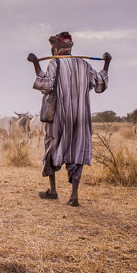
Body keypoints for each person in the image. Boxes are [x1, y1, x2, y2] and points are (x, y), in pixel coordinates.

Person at [27, 32, 112, 206]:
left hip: (59, 117)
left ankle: (53, 191)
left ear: (56, 49)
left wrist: (35, 64)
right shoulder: (84, 64)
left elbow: (45, 85)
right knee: (77, 152)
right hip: (81, 119)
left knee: (51, 148)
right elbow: (100, 84)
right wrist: (107, 62)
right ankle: (74, 196)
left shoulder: (55, 63)